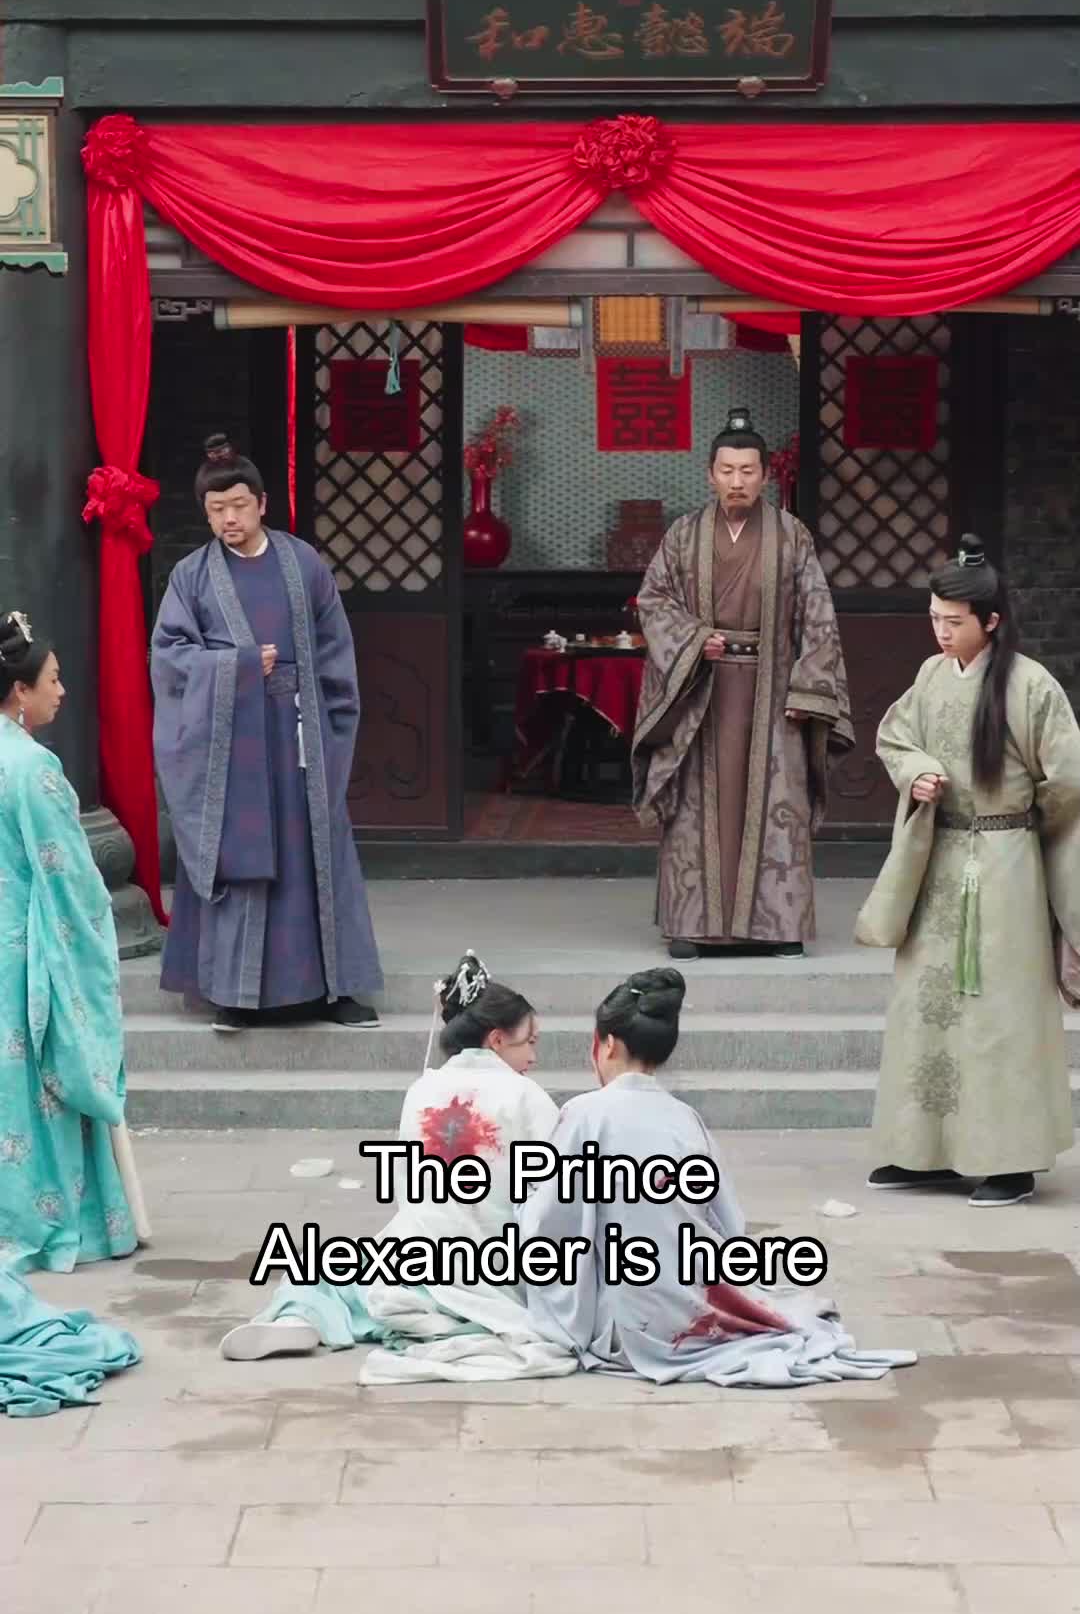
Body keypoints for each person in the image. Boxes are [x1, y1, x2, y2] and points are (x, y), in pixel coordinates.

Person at [517, 968, 914, 1386]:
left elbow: (550, 1224)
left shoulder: (583, 1114)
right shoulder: (685, 1118)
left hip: (625, 1320)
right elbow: (728, 1224)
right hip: (690, 1301)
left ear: (607, 1044)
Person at [220, 951, 572, 1383]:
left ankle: (299, 1319)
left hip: (415, 1264)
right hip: (496, 1273)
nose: (534, 1055)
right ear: (497, 1040)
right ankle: (452, 1316)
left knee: (324, 1272)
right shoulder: (527, 1096)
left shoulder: (423, 1089)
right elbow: (554, 1195)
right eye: (530, 1041)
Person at [857, 534, 1080, 1206]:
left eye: (954, 621)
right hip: (941, 859)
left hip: (1007, 865)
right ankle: (927, 1153)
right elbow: (896, 737)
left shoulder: (1031, 685)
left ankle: (1009, 1161)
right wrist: (919, 773)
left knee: (999, 1012)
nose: (942, 632)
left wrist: (1023, 826)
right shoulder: (931, 676)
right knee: (927, 1009)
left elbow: (1068, 780)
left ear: (992, 621)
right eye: (935, 619)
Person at [151, 435, 382, 1031]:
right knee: (243, 858)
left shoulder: (303, 564)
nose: (229, 519)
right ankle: (235, 993)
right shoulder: (191, 576)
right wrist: (240, 666)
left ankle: (337, 990)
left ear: (261, 504)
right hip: (231, 745)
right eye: (216, 510)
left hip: (299, 736)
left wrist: (332, 730)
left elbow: (335, 652)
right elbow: (169, 660)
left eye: (238, 505)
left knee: (315, 854)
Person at [632, 406, 853, 961]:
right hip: (701, 690)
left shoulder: (791, 536)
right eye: (727, 470)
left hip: (773, 694)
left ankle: (778, 926)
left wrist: (808, 690)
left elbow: (819, 616)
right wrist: (692, 641)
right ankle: (692, 925)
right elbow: (653, 600)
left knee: (778, 803)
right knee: (696, 803)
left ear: (765, 475)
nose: (737, 481)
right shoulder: (684, 536)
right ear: (710, 473)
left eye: (748, 471)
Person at [0, 610, 141, 1271]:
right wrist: (92, 931)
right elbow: (72, 877)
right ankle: (60, 1219)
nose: (61, 691)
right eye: (52, 680)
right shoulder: (33, 767)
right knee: (44, 1084)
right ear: (19, 691)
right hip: (26, 947)